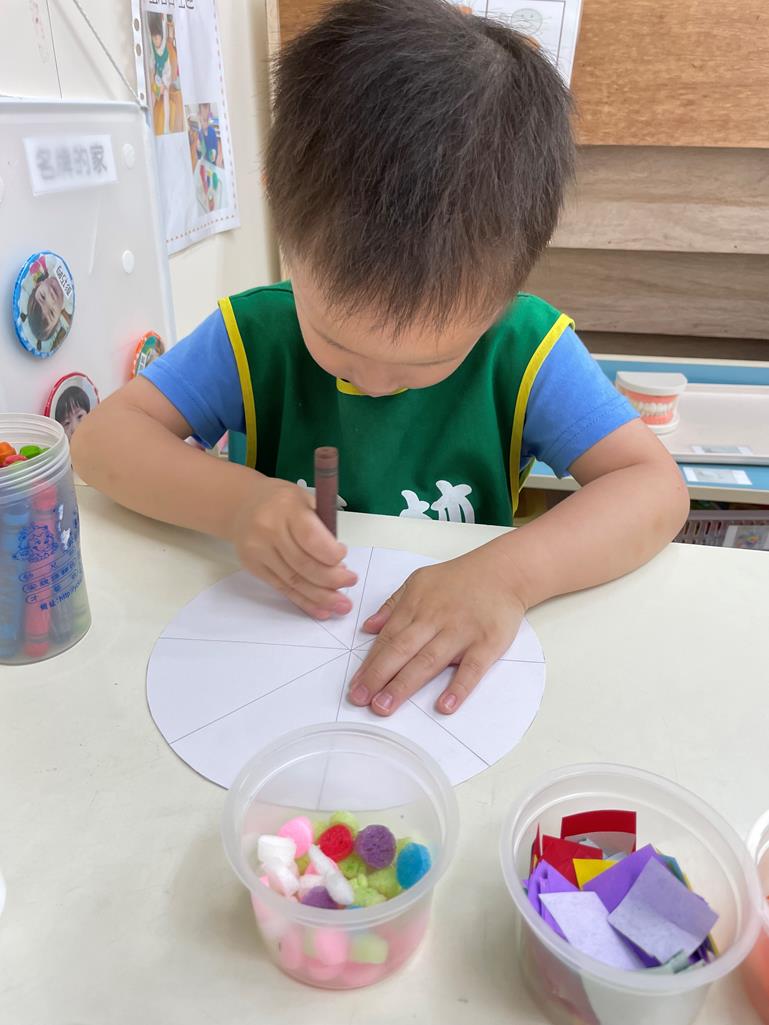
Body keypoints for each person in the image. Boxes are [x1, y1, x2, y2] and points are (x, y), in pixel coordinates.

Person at [73, 0, 688, 720]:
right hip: (275, 657)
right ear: (283, 222)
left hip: (440, 680)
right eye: (335, 343)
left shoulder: (527, 348)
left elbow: (654, 488)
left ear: (505, 293)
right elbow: (101, 442)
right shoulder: (254, 332)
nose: (368, 382)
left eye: (429, 362)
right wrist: (237, 505)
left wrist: (511, 575)